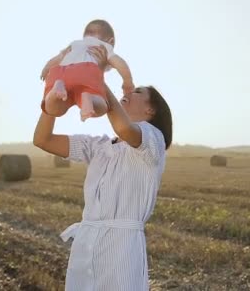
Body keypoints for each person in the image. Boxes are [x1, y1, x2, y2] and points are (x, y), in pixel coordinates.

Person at [33, 45, 172, 290]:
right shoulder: (99, 147)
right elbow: (42, 139)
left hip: (121, 249)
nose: (128, 92)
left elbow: (125, 129)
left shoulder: (153, 141)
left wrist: (94, 77)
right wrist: (50, 101)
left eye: (137, 92)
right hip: (86, 244)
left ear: (150, 110)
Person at [40, 19, 135, 122]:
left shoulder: (75, 44)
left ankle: (55, 91)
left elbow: (57, 58)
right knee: (102, 107)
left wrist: (46, 69)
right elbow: (120, 63)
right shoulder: (103, 47)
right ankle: (89, 97)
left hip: (59, 73)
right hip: (86, 72)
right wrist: (127, 82)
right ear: (110, 41)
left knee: (54, 110)